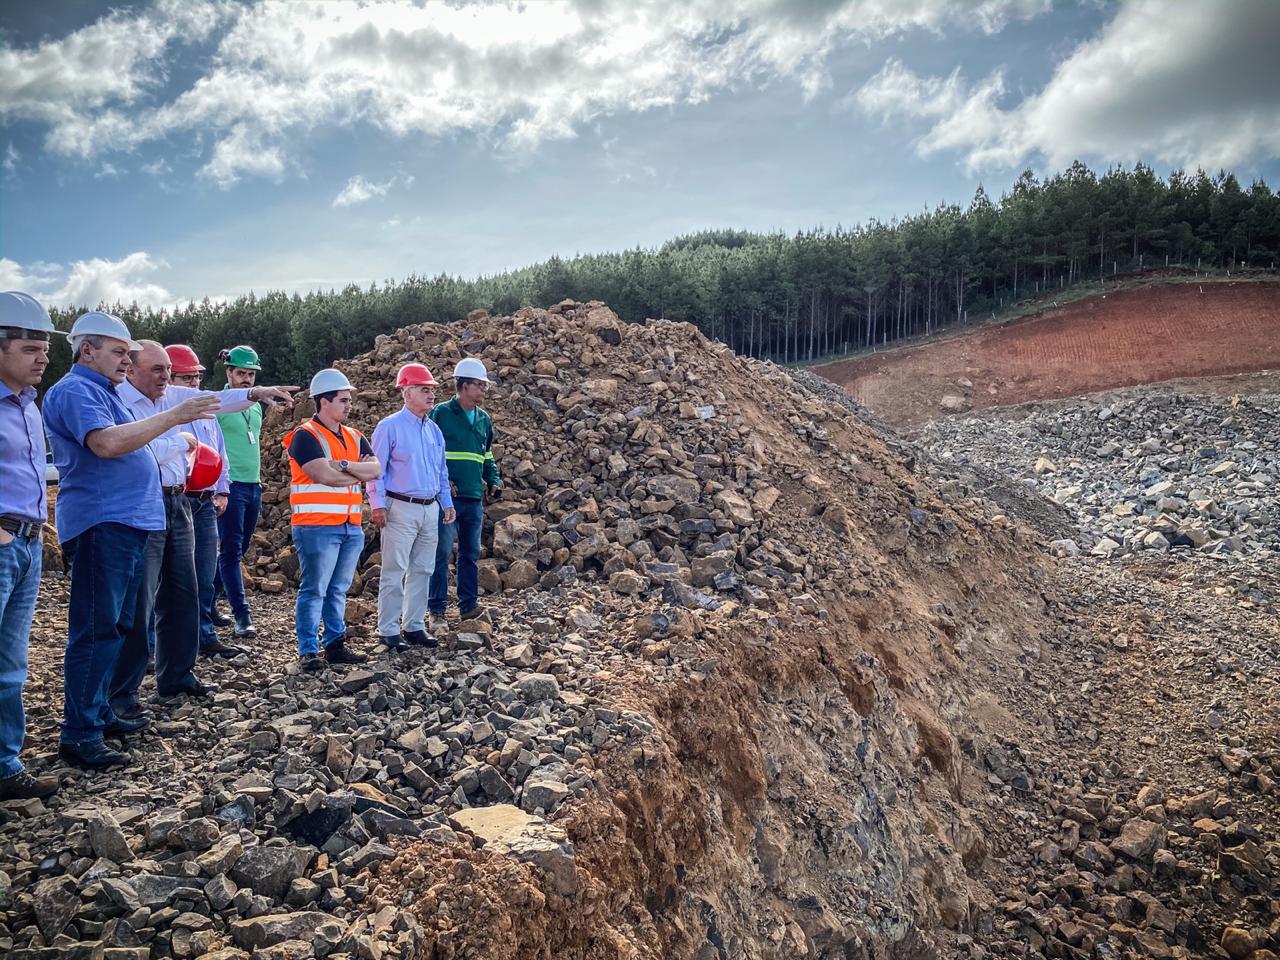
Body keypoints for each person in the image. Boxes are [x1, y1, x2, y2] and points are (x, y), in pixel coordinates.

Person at [42, 313, 219, 769]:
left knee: (120, 625)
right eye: (120, 352)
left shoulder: (104, 393)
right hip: (104, 522)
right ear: (87, 350)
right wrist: (173, 418)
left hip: (127, 523)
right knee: (99, 628)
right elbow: (105, 444)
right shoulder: (76, 391)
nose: (127, 359)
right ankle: (79, 732)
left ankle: (100, 711)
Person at [109, 341, 296, 721]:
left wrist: (256, 393)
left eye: (168, 369)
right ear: (132, 369)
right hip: (144, 502)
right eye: (158, 369)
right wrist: (179, 441)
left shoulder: (171, 394)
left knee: (185, 591)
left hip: (181, 501)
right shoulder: (119, 401)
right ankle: (123, 694)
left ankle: (176, 675)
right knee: (140, 599)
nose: (166, 377)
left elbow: (215, 400)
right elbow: (133, 449)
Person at [0, 292, 60, 799]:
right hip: (2, 540)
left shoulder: (27, 407)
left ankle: (4, 765)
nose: (43, 356)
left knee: (12, 663)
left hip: (27, 543)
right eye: (30, 347)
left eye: (45, 347)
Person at [284, 368, 381, 670]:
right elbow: (322, 475)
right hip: (316, 526)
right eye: (343, 400)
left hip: (350, 525)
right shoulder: (305, 435)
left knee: (337, 589)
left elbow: (376, 470)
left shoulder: (354, 436)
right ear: (323, 401)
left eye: (349, 400)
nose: (349, 405)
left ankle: (335, 644)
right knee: (315, 588)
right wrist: (355, 472)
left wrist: (342, 466)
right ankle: (308, 650)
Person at [367, 364, 456, 652]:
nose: (431, 395)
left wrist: (446, 503)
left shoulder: (434, 430)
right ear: (406, 393)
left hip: (429, 507)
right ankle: (389, 629)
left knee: (423, 568)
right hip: (400, 506)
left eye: (432, 390)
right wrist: (377, 504)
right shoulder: (388, 427)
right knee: (394, 569)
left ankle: (414, 625)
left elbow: (441, 471)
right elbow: (374, 470)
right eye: (424, 389)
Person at [166, 345, 241, 659]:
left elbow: (218, 451)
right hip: (178, 499)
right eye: (186, 377)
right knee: (173, 578)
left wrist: (222, 489)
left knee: (205, 571)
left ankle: (204, 635)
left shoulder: (208, 414)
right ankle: (163, 643)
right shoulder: (166, 409)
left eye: (196, 377)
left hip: (206, 502)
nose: (194, 383)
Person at [427, 357, 502, 634]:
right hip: (447, 497)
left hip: (472, 496)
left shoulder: (483, 419)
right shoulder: (440, 414)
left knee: (470, 553)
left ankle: (468, 605)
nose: (484, 390)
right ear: (464, 385)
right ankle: (436, 611)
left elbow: (487, 455)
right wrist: (443, 481)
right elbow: (430, 454)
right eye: (480, 385)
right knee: (442, 552)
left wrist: (493, 479)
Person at [212, 345, 266, 640]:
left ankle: (207, 603)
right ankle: (242, 616)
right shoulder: (218, 403)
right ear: (229, 373)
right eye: (241, 373)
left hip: (253, 485)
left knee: (239, 549)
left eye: (251, 374)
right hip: (229, 486)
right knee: (230, 551)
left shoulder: (256, 406)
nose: (246, 379)